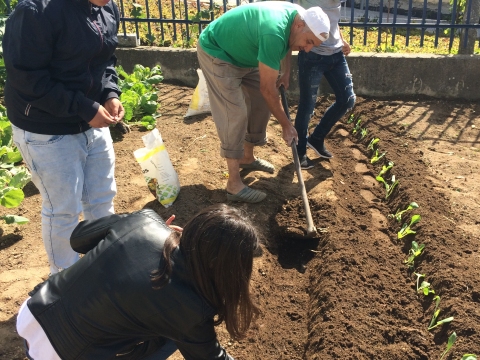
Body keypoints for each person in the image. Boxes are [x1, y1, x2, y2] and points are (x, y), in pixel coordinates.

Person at [16, 204, 260, 360]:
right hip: (62, 354)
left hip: (35, 312)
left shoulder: (144, 221)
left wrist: (134, 228)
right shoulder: (192, 308)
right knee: (170, 336)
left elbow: (77, 239)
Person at [2, 0, 126, 274]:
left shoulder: (107, 8)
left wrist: (109, 93)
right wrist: (84, 107)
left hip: (91, 123)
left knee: (101, 199)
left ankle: (104, 269)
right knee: (64, 211)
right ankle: (65, 282)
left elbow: (104, 60)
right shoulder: (36, 11)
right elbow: (27, 78)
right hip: (46, 130)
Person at [197, 1, 330, 203]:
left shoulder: (298, 18)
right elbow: (268, 88)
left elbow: (289, 42)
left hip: (246, 54)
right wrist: (287, 125)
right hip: (219, 52)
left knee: (260, 104)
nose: (308, 49)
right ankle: (233, 185)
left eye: (313, 45)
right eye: (309, 41)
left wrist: (285, 71)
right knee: (234, 113)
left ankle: (246, 158)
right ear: (300, 26)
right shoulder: (274, 32)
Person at [294, 0, 356, 169]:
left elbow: (331, 19)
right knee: (307, 106)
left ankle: (317, 138)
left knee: (347, 99)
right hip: (312, 55)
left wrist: (341, 39)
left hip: (336, 53)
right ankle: (299, 152)